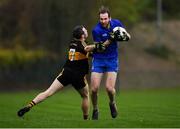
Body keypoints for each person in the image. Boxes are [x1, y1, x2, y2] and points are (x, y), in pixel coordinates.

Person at [17, 25, 95, 120]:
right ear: (82, 35)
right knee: (85, 96)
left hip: (66, 73)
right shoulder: (83, 45)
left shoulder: (72, 43)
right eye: (84, 30)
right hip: (78, 76)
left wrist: (96, 50)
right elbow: (88, 49)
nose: (86, 30)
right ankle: (86, 120)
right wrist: (101, 45)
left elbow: (88, 52)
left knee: (48, 92)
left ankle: (29, 105)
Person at [90, 6, 131, 120]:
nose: (103, 21)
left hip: (112, 59)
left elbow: (128, 36)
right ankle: (95, 109)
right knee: (94, 89)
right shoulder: (96, 30)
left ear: (110, 18)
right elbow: (100, 48)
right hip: (98, 59)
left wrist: (124, 36)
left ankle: (112, 103)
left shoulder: (117, 23)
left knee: (109, 88)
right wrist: (111, 39)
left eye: (105, 18)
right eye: (101, 19)